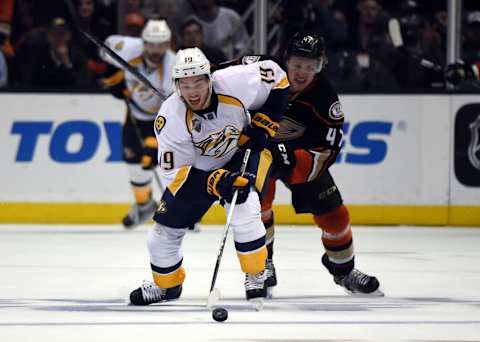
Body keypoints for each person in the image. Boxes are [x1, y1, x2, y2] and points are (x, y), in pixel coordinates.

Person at [128, 47, 290, 305]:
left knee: (245, 210)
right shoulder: (170, 117)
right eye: (185, 84)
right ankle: (167, 287)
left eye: (198, 82)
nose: (192, 91)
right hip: (197, 175)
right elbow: (175, 176)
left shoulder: (235, 82)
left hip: (238, 154)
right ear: (177, 84)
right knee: (160, 236)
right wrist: (215, 182)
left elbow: (279, 76)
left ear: (209, 78)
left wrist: (267, 122)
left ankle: (256, 273)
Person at [258, 31, 382, 295]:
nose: (302, 73)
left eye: (310, 66)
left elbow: (329, 148)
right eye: (297, 64)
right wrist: (197, 80)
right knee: (258, 207)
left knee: (336, 218)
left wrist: (294, 160)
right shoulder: (261, 71)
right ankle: (261, 265)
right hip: (259, 151)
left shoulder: (325, 99)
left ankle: (344, 271)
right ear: (285, 60)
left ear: (320, 66)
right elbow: (223, 76)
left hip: (301, 159)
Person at [101, 19, 175, 228]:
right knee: (134, 163)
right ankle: (144, 205)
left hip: (163, 119)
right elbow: (104, 48)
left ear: (167, 44)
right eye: (151, 44)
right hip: (135, 112)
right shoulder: (129, 49)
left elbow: (174, 111)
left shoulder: (172, 67)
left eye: (160, 45)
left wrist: (153, 144)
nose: (155, 49)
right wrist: (110, 74)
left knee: (169, 164)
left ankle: (183, 208)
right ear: (144, 42)